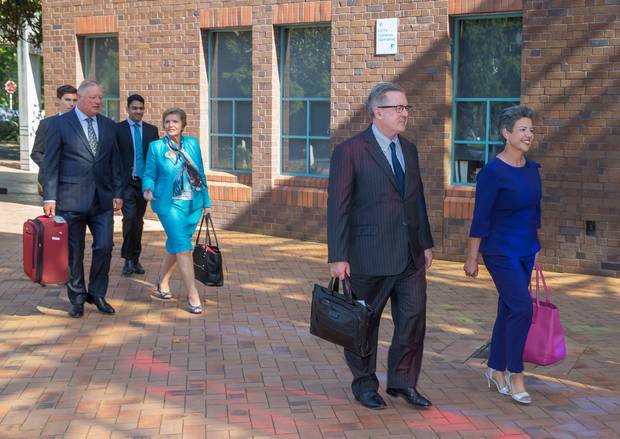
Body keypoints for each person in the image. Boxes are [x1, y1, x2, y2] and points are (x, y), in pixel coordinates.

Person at [327, 82, 434, 410]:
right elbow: (338, 207)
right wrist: (338, 256)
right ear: (377, 112)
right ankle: (364, 384)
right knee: (364, 325)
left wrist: (426, 244)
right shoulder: (350, 151)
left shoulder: (410, 150)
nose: (405, 114)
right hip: (368, 255)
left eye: (406, 108)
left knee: (413, 320)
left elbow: (416, 201)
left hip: (409, 255)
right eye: (398, 108)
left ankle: (403, 382)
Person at [463, 105, 541, 405]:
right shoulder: (492, 173)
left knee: (509, 308)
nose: (529, 134)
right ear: (506, 133)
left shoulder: (533, 170)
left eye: (531, 129)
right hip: (500, 251)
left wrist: (537, 248)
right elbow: (481, 217)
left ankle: (495, 369)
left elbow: (534, 213)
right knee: (522, 308)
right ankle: (515, 373)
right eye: (522, 129)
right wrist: (472, 257)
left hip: (526, 250)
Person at [43, 80, 124, 318]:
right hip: (71, 199)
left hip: (102, 200)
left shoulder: (109, 126)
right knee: (74, 251)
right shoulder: (59, 124)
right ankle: (77, 297)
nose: (99, 101)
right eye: (94, 98)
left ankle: (97, 293)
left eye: (100, 97)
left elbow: (116, 162)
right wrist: (50, 197)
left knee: (105, 246)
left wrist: (118, 192)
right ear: (80, 98)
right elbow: (50, 163)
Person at [142, 108, 211, 314]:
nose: (170, 125)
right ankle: (193, 295)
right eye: (167, 121)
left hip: (192, 204)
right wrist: (147, 188)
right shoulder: (156, 147)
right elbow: (149, 174)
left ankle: (162, 281)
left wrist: (206, 202)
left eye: (174, 121)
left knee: (176, 243)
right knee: (183, 247)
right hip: (168, 205)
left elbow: (200, 173)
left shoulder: (192, 144)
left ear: (183, 125)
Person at [116, 94, 160, 276]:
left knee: (138, 221)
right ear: (128, 109)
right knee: (129, 219)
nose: (138, 111)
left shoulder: (151, 130)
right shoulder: (118, 129)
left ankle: (136, 258)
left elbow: (155, 159)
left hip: (144, 184)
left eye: (141, 108)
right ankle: (127, 259)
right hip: (126, 183)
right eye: (134, 108)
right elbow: (114, 159)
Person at [31, 85, 78, 195]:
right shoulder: (47, 124)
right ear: (58, 100)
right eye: (67, 100)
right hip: (51, 181)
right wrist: (52, 167)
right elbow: (36, 153)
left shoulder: (83, 124)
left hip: (76, 182)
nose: (71, 104)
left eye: (75, 100)